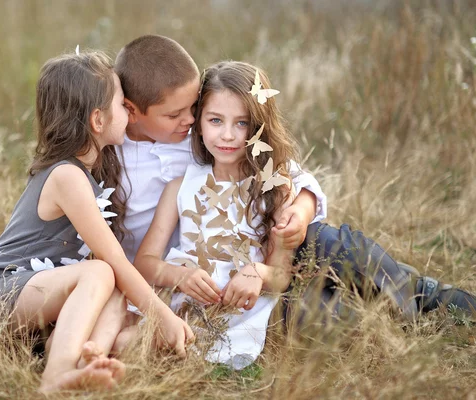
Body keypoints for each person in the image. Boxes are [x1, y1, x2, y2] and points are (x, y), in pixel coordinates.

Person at [135, 61, 476, 366]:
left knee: (350, 257)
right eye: (215, 120)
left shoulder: (273, 185)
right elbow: (145, 262)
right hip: (221, 318)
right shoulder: (180, 186)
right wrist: (177, 275)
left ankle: (438, 306)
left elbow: (279, 276)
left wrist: (256, 271)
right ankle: (414, 307)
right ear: (199, 123)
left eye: (241, 123)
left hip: (267, 306)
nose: (227, 134)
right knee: (344, 318)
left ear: (257, 127)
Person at [0, 50, 194, 393]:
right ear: (98, 120)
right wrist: (162, 314)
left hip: (37, 301)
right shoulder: (67, 176)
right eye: (121, 104)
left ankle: (85, 360)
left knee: (115, 291)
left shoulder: (88, 173)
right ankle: (55, 378)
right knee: (104, 271)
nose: (128, 111)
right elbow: (112, 258)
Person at [114, 34, 325, 269]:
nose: (190, 119)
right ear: (131, 111)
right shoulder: (111, 154)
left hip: (247, 268)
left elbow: (290, 174)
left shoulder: (197, 136)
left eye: (194, 107)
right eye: (174, 114)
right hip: (156, 274)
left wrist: (301, 211)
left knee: (328, 243)